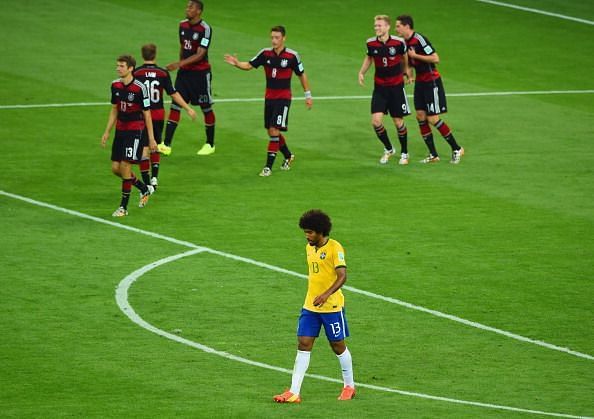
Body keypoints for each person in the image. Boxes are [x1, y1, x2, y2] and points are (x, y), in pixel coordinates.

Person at [273, 209, 355, 403]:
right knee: (303, 343)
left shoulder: (335, 248)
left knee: (338, 346)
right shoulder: (309, 248)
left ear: (321, 231)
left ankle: (349, 386)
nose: (307, 236)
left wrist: (326, 294)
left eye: (310, 232)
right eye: (305, 232)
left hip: (332, 307)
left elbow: (342, 276)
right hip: (310, 305)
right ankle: (294, 392)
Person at [224, 25, 312, 177]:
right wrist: (237, 64)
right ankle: (288, 155)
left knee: (274, 130)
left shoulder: (292, 56)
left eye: (277, 37)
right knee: (271, 130)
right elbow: (249, 65)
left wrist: (308, 95)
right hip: (269, 98)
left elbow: (301, 74)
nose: (274, 40)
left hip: (283, 98)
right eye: (272, 37)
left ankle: (268, 167)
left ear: (284, 38)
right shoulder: (265, 54)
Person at [395, 15, 464, 164]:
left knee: (432, 118)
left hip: (431, 81)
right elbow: (409, 63)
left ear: (407, 26)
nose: (396, 29)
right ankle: (433, 154)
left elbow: (435, 58)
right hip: (420, 82)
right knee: (420, 116)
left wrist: (416, 55)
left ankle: (457, 148)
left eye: (398, 26)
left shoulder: (419, 39)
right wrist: (409, 74)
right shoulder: (404, 43)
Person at [134, 43, 197, 190]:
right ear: (155, 54)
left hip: (142, 114)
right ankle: (155, 178)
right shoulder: (162, 73)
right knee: (155, 144)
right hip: (158, 114)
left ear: (142, 55)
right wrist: (188, 108)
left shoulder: (137, 73)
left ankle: (147, 182)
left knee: (144, 148)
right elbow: (173, 93)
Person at [101, 55, 156, 217]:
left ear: (131, 68)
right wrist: (107, 131)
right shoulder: (115, 85)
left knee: (125, 166)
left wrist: (151, 138)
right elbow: (114, 109)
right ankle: (143, 188)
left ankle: (123, 208)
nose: (118, 68)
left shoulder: (140, 88)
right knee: (116, 169)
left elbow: (147, 115)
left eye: (122, 66)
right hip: (120, 130)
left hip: (135, 130)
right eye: (117, 65)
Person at [162, 0, 215, 156]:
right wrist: (181, 66)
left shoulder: (205, 29)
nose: (187, 9)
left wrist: (178, 64)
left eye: (190, 7)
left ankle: (210, 144)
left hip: (200, 74)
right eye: (187, 7)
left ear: (198, 11)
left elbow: (200, 54)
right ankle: (166, 145)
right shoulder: (182, 25)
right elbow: (182, 47)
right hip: (184, 74)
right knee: (175, 105)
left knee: (206, 107)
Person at [358, 15, 411, 165]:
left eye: (380, 26)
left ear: (387, 27)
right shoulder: (371, 43)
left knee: (398, 121)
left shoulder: (398, 43)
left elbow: (404, 56)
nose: (377, 28)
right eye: (375, 26)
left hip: (396, 88)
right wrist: (362, 72)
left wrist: (407, 71)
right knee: (376, 121)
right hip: (380, 88)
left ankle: (405, 153)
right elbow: (369, 58)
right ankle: (388, 149)